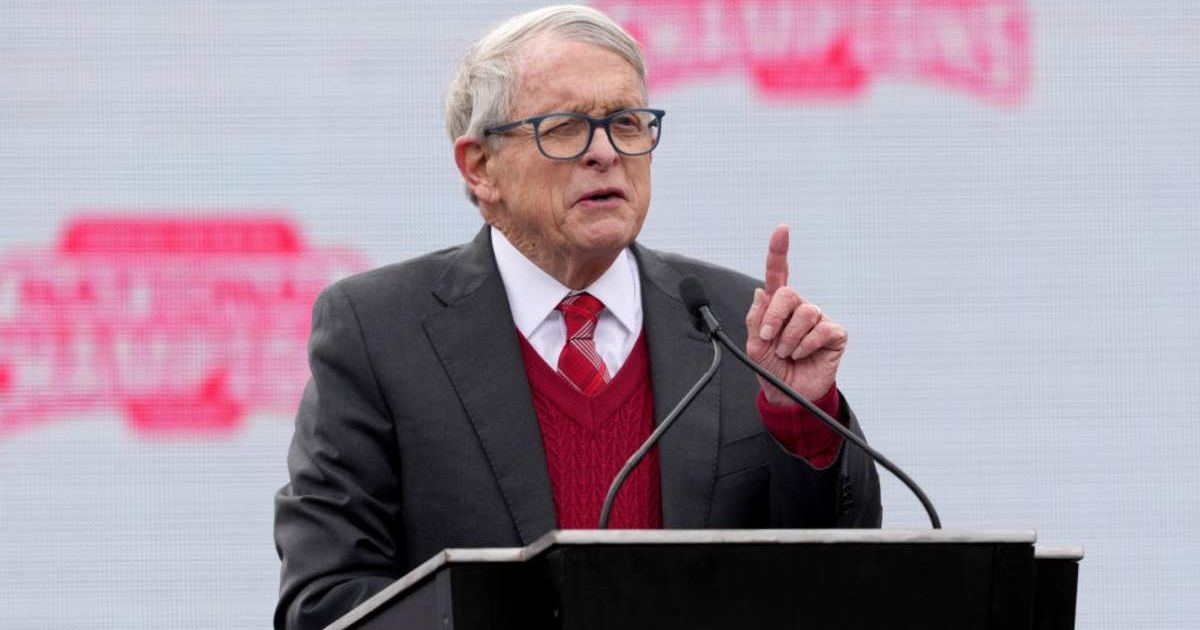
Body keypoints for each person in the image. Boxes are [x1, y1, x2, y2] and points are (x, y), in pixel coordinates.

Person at [273, 5, 881, 629]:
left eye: (626, 122)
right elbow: (325, 599)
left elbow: (839, 581)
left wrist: (801, 419)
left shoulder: (734, 326)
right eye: (565, 128)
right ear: (480, 167)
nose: (605, 152)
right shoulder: (379, 333)